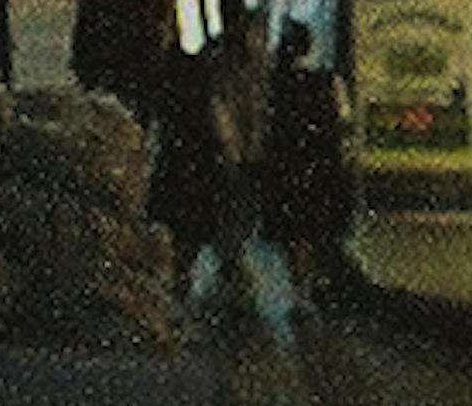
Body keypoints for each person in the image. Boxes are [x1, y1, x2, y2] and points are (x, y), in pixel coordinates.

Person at [257, 17, 356, 312]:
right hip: (322, 163)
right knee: (318, 226)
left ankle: (299, 289)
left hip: (287, 165)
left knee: (295, 232)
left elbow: (265, 125)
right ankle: (315, 284)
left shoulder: (274, 84)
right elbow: (345, 121)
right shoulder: (328, 80)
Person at [142, 37, 238, 307]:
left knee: (175, 229)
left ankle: (177, 285)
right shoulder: (204, 95)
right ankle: (184, 284)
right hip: (199, 169)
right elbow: (220, 131)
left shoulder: (166, 94)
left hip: (173, 166)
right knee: (193, 232)